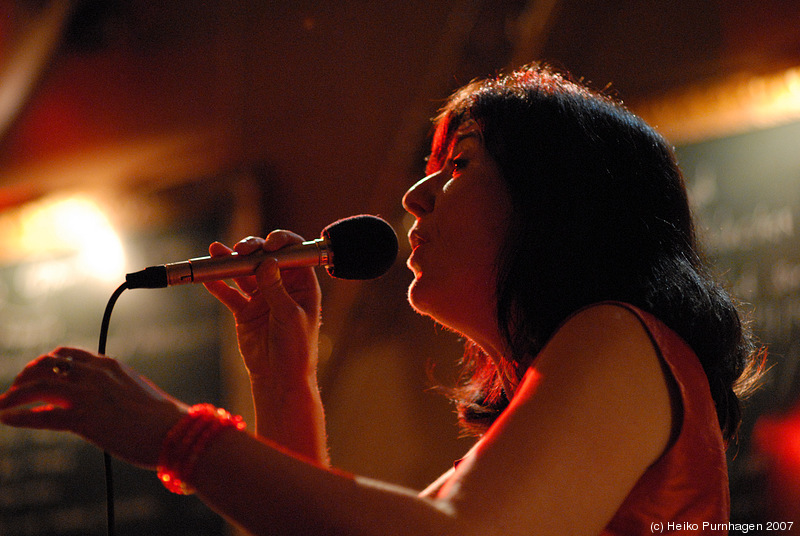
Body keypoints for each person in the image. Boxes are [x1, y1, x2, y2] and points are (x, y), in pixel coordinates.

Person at [0, 64, 764, 535]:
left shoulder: (622, 336)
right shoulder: (583, 378)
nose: (415, 196)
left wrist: (176, 436)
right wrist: (281, 377)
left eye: (459, 165)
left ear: (559, 200)